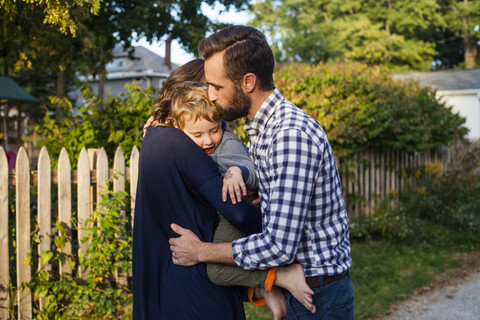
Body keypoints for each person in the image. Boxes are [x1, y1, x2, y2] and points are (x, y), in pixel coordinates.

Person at [169, 25, 354, 319]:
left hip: (317, 297)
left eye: (217, 87)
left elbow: (278, 247)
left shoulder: (289, 136)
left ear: (248, 82)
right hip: (306, 292)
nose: (212, 96)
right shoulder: (263, 130)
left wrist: (200, 252)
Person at [133, 59, 290, 320]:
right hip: (194, 280)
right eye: (212, 88)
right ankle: (268, 284)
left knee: (222, 262)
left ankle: (269, 284)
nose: (217, 95)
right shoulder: (179, 137)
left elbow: (240, 201)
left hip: (230, 215)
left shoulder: (212, 138)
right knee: (221, 265)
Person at [167, 81, 314, 310]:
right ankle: (266, 288)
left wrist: (238, 172)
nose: (208, 140)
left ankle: (281, 277)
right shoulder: (184, 141)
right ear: (179, 129)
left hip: (237, 206)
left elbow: (253, 171)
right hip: (222, 209)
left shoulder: (228, 143)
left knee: (216, 271)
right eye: (198, 134)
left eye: (214, 130)